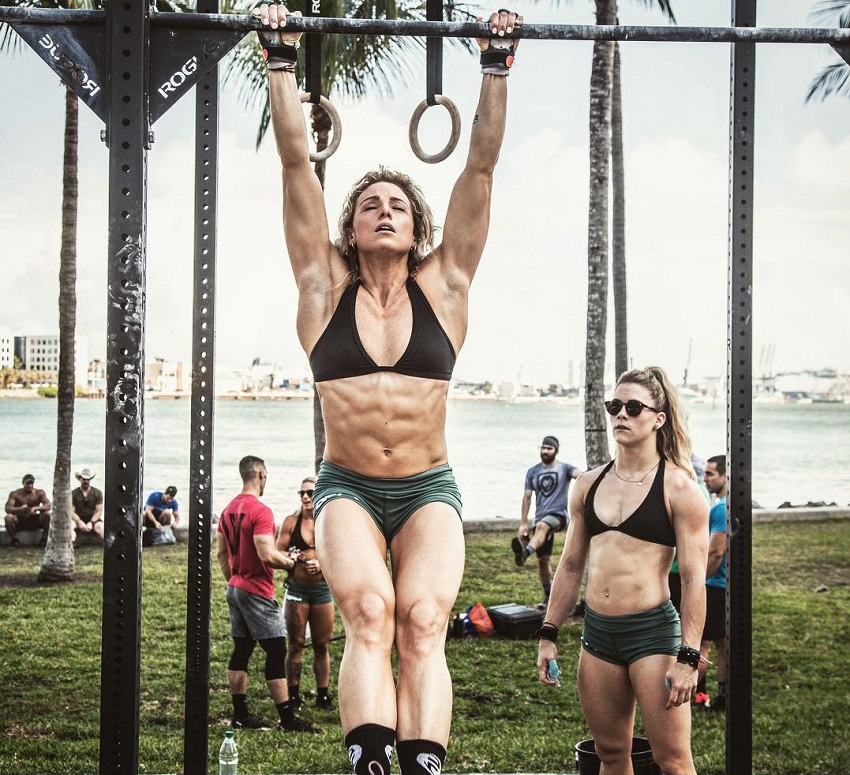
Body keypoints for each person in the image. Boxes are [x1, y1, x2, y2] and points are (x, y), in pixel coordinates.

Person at [254, 4, 520, 773]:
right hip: (347, 489)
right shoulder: (321, 286)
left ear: (418, 228)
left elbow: (479, 169)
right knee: (368, 612)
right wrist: (280, 57)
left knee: (425, 618)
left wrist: (495, 65)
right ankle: (371, 758)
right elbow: (295, 167)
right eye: (369, 202)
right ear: (349, 227)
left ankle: (423, 762)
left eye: (397, 203)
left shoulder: (447, 285)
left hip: (427, 488)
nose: (383, 208)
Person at [536, 366, 709, 775]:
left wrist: (688, 656)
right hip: (598, 636)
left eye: (634, 407)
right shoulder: (588, 483)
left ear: (658, 419)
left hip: (652, 635)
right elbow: (572, 565)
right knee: (611, 755)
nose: (621, 415)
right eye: (615, 406)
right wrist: (548, 632)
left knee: (674, 761)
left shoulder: (680, 490)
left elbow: (692, 579)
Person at [216, 455, 318, 733]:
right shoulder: (260, 511)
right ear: (260, 475)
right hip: (255, 590)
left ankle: (241, 716)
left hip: (236, 588)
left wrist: (235, 582)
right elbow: (266, 553)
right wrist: (291, 563)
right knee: (275, 650)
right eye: (266, 476)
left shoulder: (227, 510)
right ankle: (287, 719)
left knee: (243, 648)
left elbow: (222, 554)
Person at [276, 476, 336, 711]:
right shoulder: (291, 522)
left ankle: (323, 695)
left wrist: (321, 563)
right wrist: (291, 559)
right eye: (301, 493)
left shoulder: (328, 521)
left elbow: (340, 553)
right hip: (297, 590)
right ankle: (293, 696)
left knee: (322, 645)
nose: (305, 497)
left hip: (322, 590)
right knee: (296, 644)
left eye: (310, 493)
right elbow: (278, 550)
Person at [512, 435, 582, 611]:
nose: (545, 451)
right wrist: (523, 523)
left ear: (556, 450)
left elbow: (581, 476)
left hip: (559, 516)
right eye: (543, 448)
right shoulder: (532, 472)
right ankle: (548, 596)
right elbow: (527, 497)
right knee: (544, 560)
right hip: (540, 516)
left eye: (549, 448)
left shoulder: (564, 468)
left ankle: (525, 552)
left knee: (542, 527)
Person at [694, 454, 728, 712]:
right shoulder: (734, 506)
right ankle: (724, 696)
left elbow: (716, 552)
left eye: (710, 474)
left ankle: (697, 697)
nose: (704, 479)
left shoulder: (719, 509)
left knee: (702, 642)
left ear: (725, 476)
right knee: (722, 642)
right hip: (728, 585)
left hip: (714, 584)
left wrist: (697, 583)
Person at [5, 473, 52, 547]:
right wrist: (20, 509)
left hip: (34, 519)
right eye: (27, 483)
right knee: (8, 517)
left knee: (47, 515)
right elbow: (8, 508)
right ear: (23, 483)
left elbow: (48, 505)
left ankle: (44, 539)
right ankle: (14, 540)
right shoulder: (15, 494)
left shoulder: (39, 493)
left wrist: (36, 508)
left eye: (31, 483)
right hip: (20, 519)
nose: (29, 485)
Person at [71, 467, 104, 544]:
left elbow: (98, 511)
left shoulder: (97, 493)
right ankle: (72, 544)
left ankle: (107, 545)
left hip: (92, 519)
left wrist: (91, 522)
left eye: (88, 479)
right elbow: (71, 511)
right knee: (70, 526)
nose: (86, 481)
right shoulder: (74, 493)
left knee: (100, 527)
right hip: (77, 518)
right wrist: (79, 522)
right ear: (80, 479)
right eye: (84, 479)